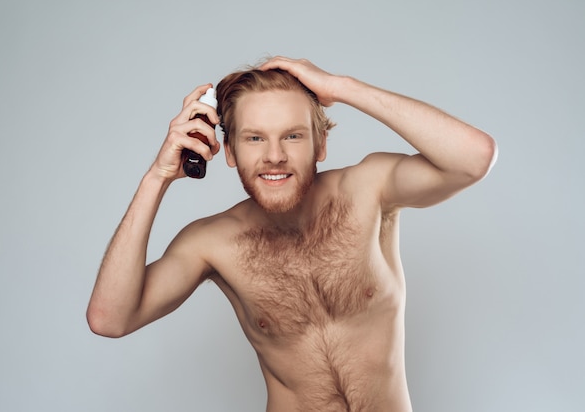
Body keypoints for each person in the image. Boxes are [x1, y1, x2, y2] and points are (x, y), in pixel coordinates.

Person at [87, 56, 497, 412]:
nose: (275, 155)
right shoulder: (212, 244)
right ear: (230, 152)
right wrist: (158, 176)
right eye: (254, 138)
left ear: (320, 144)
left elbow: (473, 158)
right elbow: (109, 319)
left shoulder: (368, 190)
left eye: (293, 135)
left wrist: (341, 87)